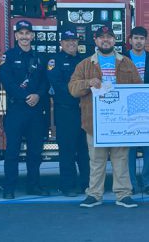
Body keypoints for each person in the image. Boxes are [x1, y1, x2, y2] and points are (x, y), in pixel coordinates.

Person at [68, 25, 142, 208]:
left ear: (114, 40)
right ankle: (94, 194)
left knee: (121, 160)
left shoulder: (126, 62)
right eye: (101, 37)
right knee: (96, 161)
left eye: (109, 37)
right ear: (96, 40)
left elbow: (138, 87)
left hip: (120, 122)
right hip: (95, 122)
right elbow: (73, 89)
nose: (105, 40)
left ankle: (123, 195)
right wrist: (88, 82)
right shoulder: (85, 64)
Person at [0, 19, 50, 198]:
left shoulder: (39, 57)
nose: (24, 36)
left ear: (32, 36)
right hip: (16, 110)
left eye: (27, 33)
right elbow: (7, 82)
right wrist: (26, 96)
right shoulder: (8, 57)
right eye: (21, 33)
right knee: (12, 151)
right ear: (16, 36)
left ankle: (33, 186)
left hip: (35, 111)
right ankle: (9, 188)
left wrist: (38, 95)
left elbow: (45, 82)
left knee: (35, 151)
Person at [47, 29, 90, 197]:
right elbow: (57, 85)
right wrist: (78, 95)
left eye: (74, 40)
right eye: (67, 40)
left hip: (83, 111)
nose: (71, 43)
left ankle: (87, 184)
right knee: (67, 150)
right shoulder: (54, 61)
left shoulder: (84, 61)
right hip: (65, 111)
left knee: (85, 150)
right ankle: (68, 186)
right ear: (61, 43)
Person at [126, 26, 149, 195]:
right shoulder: (122, 58)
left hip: (148, 107)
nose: (139, 41)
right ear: (130, 40)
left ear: (145, 41)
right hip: (127, 107)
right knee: (129, 149)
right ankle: (131, 183)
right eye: (136, 38)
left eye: (142, 38)